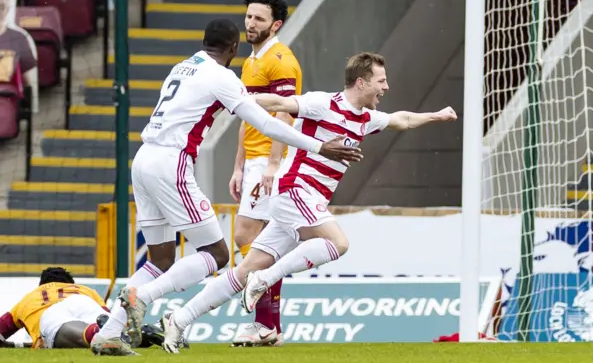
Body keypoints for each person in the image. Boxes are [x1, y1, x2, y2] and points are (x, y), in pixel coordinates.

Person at [134, 52, 458, 353]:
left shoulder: (365, 118)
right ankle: (266, 280)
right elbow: (279, 102)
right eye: (381, 80)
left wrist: (438, 116)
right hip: (295, 190)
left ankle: (178, 321)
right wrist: (236, 99)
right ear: (361, 82)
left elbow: (402, 119)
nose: (386, 87)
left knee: (244, 270)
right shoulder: (322, 103)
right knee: (338, 243)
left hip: (306, 200)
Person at [90, 18, 362, 356]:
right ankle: (141, 297)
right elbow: (264, 123)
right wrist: (319, 146)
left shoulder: (182, 67)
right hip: (171, 162)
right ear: (234, 49)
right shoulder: (222, 77)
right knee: (216, 253)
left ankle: (110, 333)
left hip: (143, 159)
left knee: (158, 258)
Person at [228, 0, 301, 347]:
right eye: (248, 17)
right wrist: (238, 167)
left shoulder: (282, 61)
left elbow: (286, 114)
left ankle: (265, 323)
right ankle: (269, 325)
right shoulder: (250, 61)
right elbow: (247, 116)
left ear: (276, 24)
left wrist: (273, 166)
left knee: (247, 238)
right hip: (255, 161)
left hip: (273, 160)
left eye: (258, 18)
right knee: (260, 244)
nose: (250, 23)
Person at [0, 267, 168, 350]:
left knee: (66, 330)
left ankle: (97, 333)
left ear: (41, 285)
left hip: (50, 313)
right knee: (110, 328)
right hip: (83, 301)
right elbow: (109, 316)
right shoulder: (86, 290)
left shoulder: (30, 298)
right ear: (70, 283)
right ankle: (136, 334)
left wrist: (12, 345)